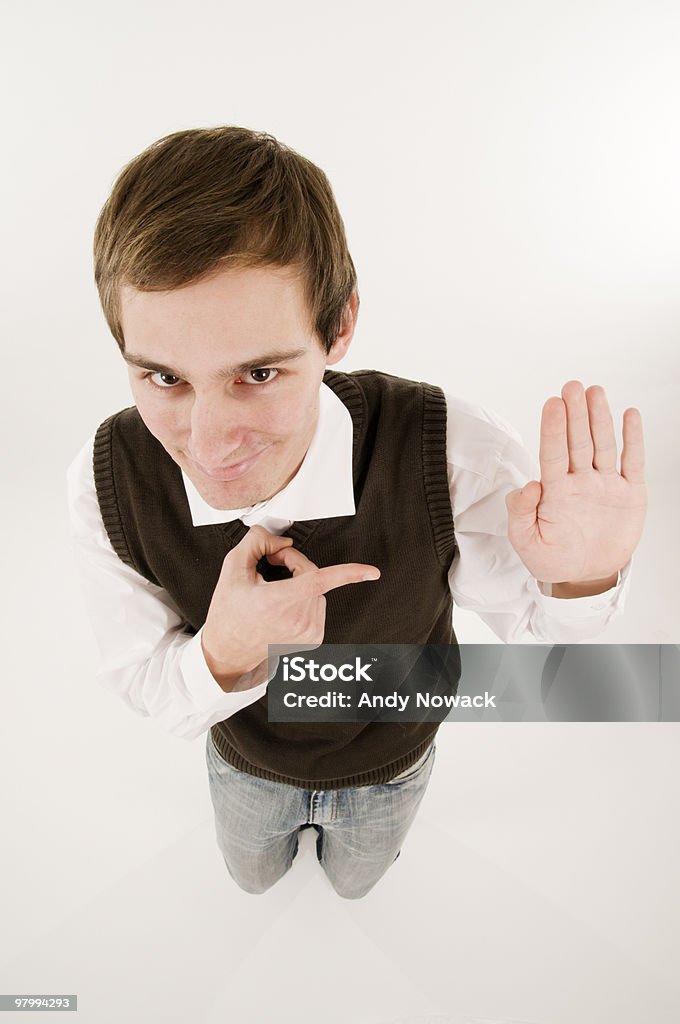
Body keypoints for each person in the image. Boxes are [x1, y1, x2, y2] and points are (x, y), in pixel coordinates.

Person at [66, 126, 647, 899]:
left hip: (394, 770)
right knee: (250, 879)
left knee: (355, 886)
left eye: (260, 372)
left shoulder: (452, 452)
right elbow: (143, 680)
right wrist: (226, 653)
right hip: (244, 766)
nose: (206, 443)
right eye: (164, 377)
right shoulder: (104, 481)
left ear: (337, 327)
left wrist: (581, 580)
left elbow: (553, 659)